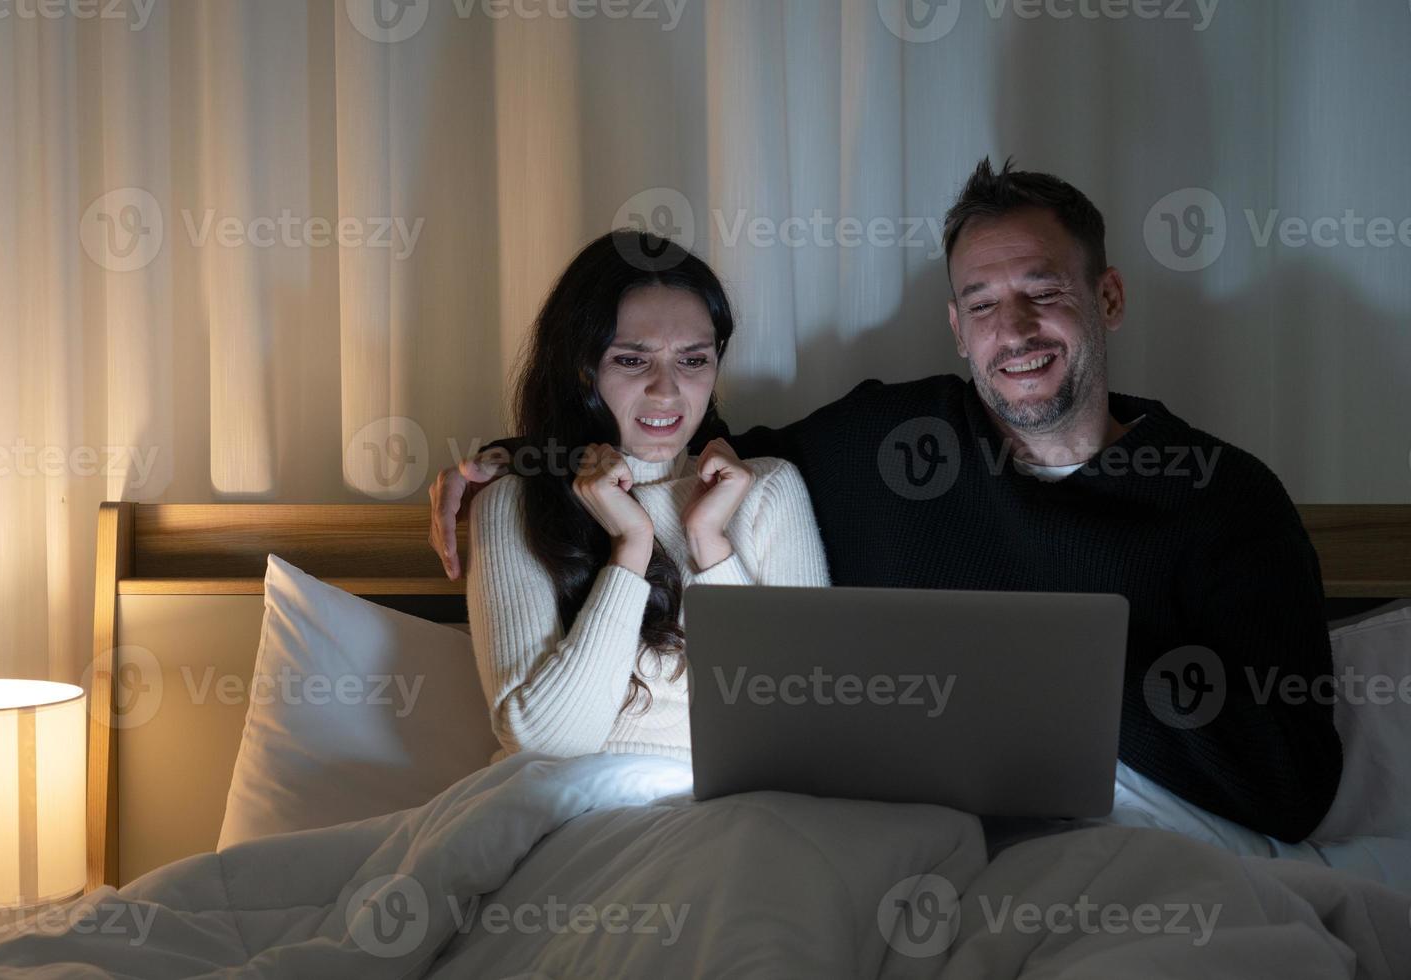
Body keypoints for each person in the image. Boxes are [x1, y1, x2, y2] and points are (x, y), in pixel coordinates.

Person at [434, 160, 1342, 842]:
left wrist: (1063, 680)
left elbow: (1293, 787)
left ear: (1107, 297)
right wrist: (514, 465)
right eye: (982, 304)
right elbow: (674, 450)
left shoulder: (1224, 500)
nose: (1013, 330)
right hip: (915, 849)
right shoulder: (895, 445)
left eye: (1044, 293)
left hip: (1129, 840)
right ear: (955, 328)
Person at [461, 230, 829, 762]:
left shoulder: (767, 491)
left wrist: (709, 544)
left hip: (736, 806)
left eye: (694, 360)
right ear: (582, 369)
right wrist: (630, 547)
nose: (667, 390)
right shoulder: (512, 505)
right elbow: (545, 742)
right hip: (575, 809)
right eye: (633, 361)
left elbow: (799, 726)